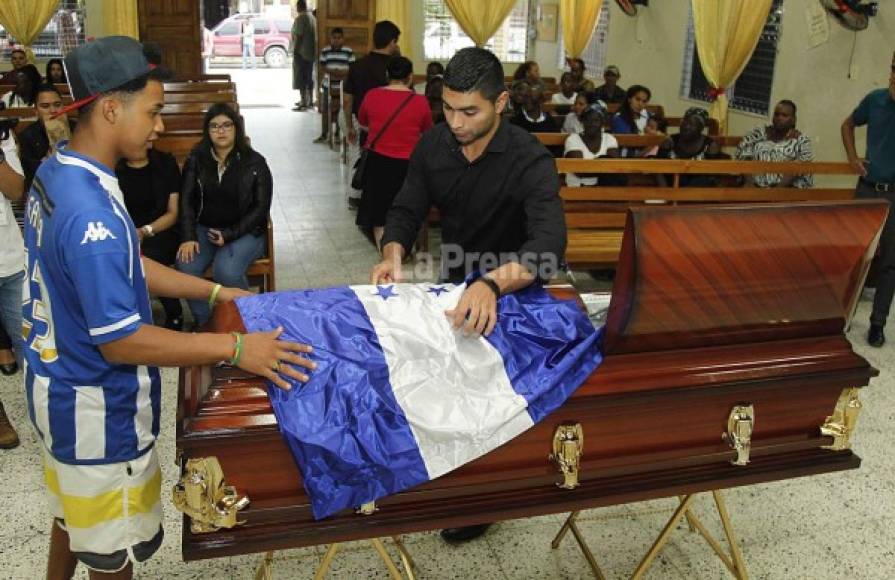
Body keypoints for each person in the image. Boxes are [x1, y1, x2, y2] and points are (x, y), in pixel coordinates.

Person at [23, 36, 315, 579]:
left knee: (74, 521)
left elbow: (125, 266)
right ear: (111, 108)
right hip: (97, 414)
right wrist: (235, 347)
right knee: (113, 554)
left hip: (54, 388)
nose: (160, 126)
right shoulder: (95, 215)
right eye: (153, 111)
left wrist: (214, 291)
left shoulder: (59, 170)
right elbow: (123, 339)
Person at [373, 50, 565, 547]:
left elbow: (548, 247)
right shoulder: (434, 146)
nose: (455, 123)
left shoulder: (528, 158)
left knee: (489, 391)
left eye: (469, 112)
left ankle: (484, 495)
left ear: (500, 102)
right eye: (448, 109)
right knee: (432, 373)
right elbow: (406, 207)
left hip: (515, 284)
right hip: (458, 280)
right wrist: (394, 251)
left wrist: (493, 284)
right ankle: (446, 471)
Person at [177, 103, 273, 326]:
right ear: (207, 132)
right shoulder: (196, 159)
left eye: (227, 125)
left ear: (236, 129)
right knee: (186, 267)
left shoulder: (255, 162)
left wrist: (229, 234)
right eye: (214, 126)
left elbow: (261, 209)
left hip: (245, 231)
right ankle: (208, 323)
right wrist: (189, 236)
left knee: (226, 271)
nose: (221, 131)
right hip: (205, 228)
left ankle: (246, 321)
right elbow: (186, 201)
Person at [841, 50, 895, 347]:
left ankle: (877, 324)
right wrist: (852, 157)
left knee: (889, 263)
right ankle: (842, 316)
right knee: (855, 255)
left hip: (894, 196)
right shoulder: (875, 100)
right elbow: (847, 124)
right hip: (866, 190)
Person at [356, 57, 433, 248]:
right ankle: (403, 250)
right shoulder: (421, 102)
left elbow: (363, 123)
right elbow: (427, 132)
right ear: (410, 77)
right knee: (407, 209)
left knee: (378, 213)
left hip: (377, 162)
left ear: (387, 75)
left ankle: (386, 253)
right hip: (408, 165)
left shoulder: (372, 95)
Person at [117, 147, 184, 330]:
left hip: (162, 228)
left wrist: (146, 231)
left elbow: (173, 213)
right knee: (119, 254)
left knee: (149, 257)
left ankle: (174, 311)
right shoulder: (114, 167)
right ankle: (127, 316)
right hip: (125, 231)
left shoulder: (165, 163)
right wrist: (131, 233)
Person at [344, 20, 401, 209]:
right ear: (392, 42)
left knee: (357, 154)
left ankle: (355, 195)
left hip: (360, 118)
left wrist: (349, 126)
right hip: (388, 121)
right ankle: (381, 195)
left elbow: (347, 99)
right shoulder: (395, 69)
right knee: (383, 158)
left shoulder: (357, 65)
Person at [0, 114, 25, 449]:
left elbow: (15, 190)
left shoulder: (2, 137)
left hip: (9, 258)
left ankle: (48, 410)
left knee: (32, 340)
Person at [737, 100, 813, 189]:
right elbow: (744, 157)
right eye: (776, 114)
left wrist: (776, 192)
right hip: (754, 187)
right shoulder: (757, 134)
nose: (779, 118)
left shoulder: (801, 141)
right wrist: (750, 183)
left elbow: (798, 167)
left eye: (784, 115)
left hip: (787, 190)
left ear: (793, 120)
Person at [18, 83, 74, 189]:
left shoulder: (77, 129)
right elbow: (30, 175)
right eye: (45, 106)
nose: (53, 111)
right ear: (36, 111)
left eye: (57, 105)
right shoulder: (27, 137)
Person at [656, 107, 721, 187]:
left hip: (698, 192)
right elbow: (658, 170)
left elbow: (712, 176)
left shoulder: (710, 146)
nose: (686, 127)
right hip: (670, 188)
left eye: (692, 125)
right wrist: (666, 194)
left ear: (701, 128)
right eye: (685, 123)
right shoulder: (670, 141)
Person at [314, 27, 355, 142]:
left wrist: (341, 74)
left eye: (339, 38)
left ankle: (338, 134)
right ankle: (324, 134)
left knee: (341, 109)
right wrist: (334, 73)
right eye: (334, 38)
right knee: (326, 109)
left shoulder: (348, 51)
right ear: (330, 39)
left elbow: (352, 68)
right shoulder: (325, 51)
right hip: (328, 85)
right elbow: (322, 67)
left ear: (343, 39)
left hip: (343, 86)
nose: (336, 40)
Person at [564, 106, 619, 187]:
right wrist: (603, 164)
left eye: (596, 120)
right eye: (587, 120)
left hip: (604, 188)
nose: (591, 123)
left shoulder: (610, 139)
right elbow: (579, 170)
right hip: (577, 188)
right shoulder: (572, 139)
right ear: (582, 122)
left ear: (602, 122)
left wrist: (589, 166)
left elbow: (613, 167)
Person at [291, 0, 317, 111]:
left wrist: (295, 50)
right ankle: (310, 100)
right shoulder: (312, 18)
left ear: (298, 7)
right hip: (311, 53)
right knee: (309, 77)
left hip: (302, 53)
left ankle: (303, 102)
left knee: (300, 77)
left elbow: (299, 36)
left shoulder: (300, 18)